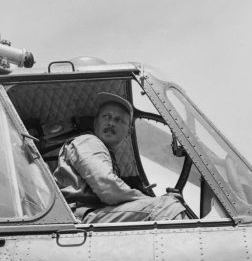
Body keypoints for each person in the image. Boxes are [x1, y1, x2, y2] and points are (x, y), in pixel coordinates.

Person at [53, 92, 188, 223]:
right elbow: (107, 187)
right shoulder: (88, 141)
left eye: (119, 120)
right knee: (167, 207)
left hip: (93, 215)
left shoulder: (107, 155)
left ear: (129, 131)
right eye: (106, 116)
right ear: (95, 122)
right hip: (79, 217)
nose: (111, 122)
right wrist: (149, 200)